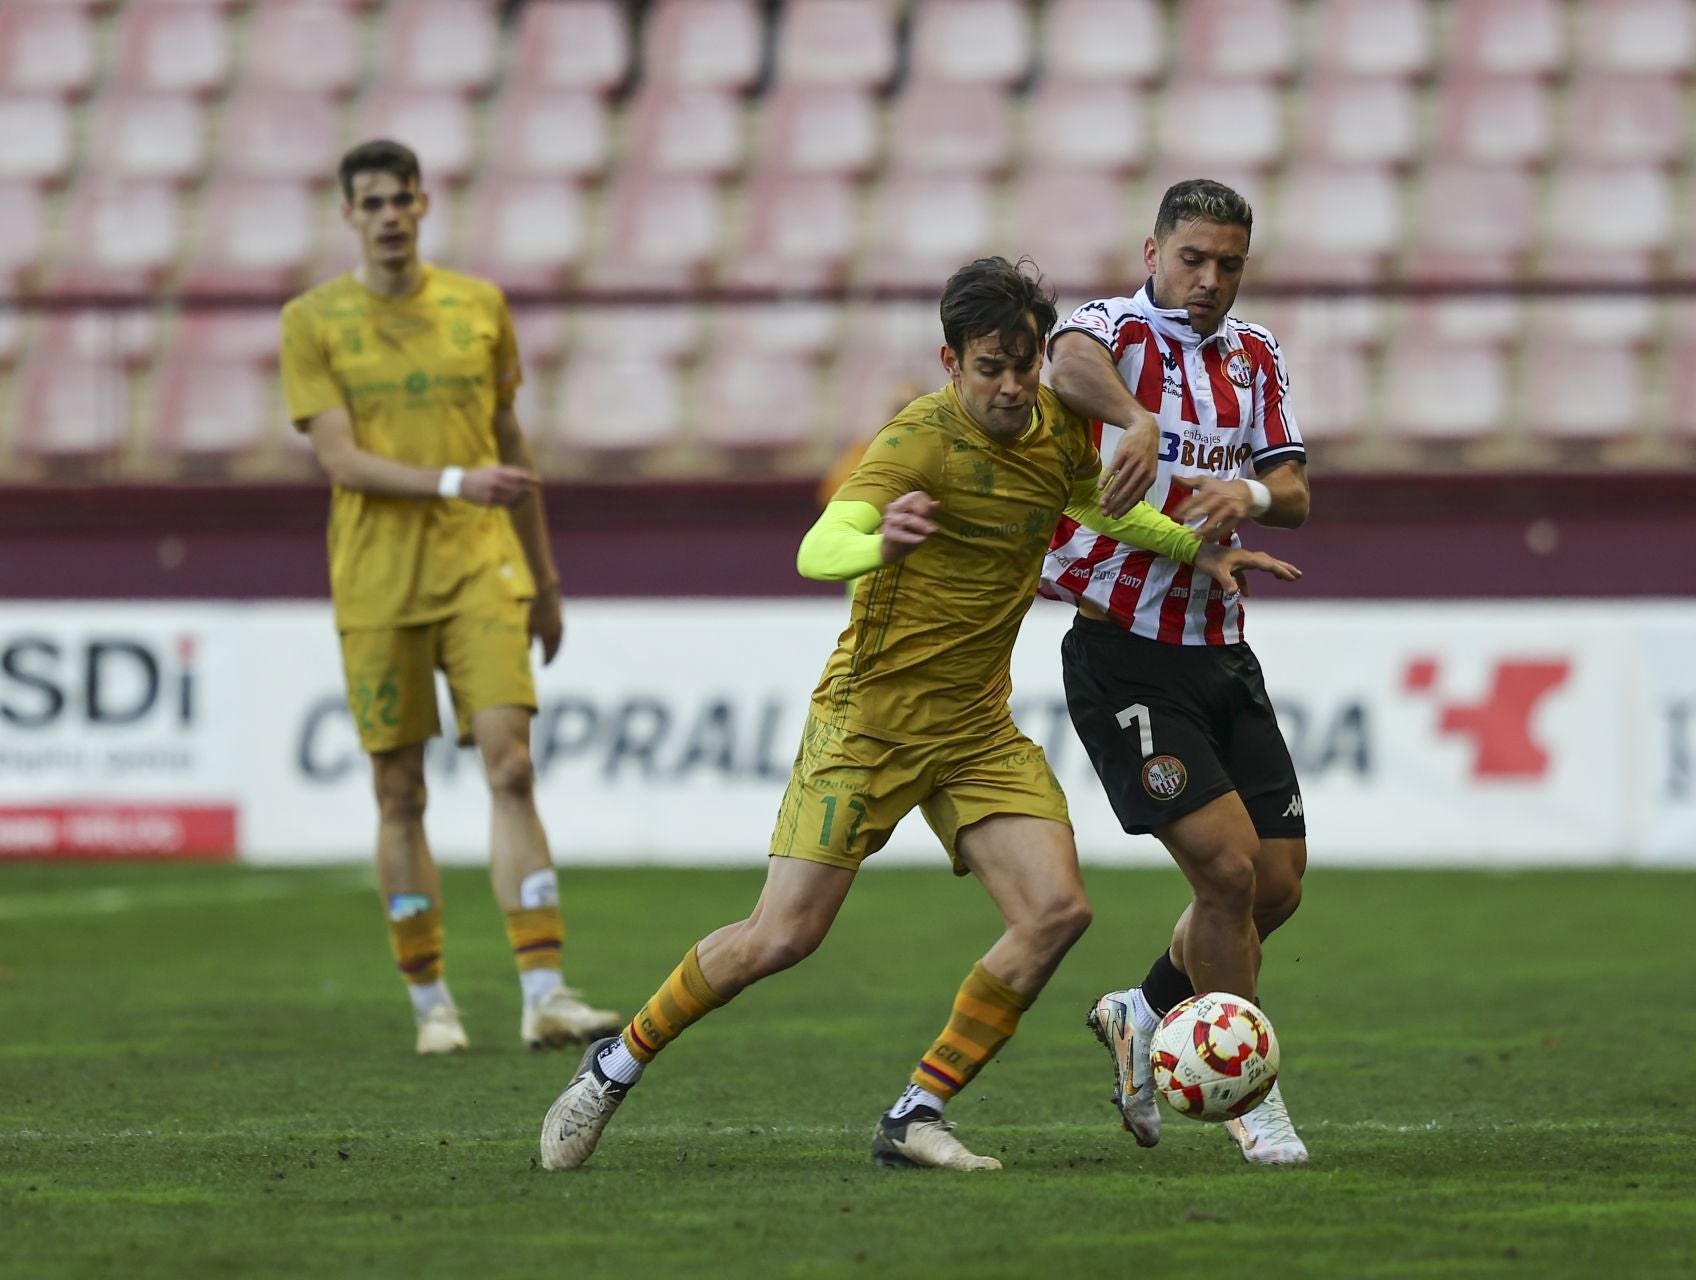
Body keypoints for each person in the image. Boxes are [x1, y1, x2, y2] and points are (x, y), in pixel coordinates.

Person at [538, 256, 1299, 1173]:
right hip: (869, 724)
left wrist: (1192, 548)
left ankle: (917, 1111)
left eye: (1025, 364)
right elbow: (816, 548)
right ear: (951, 362)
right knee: (781, 937)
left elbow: (1096, 506)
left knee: (1057, 911)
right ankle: (613, 1067)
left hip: (975, 728)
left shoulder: (1056, 430)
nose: (1014, 386)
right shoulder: (916, 443)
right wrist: (874, 539)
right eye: (991, 367)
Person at [280, 139, 622, 1055]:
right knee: (401, 792)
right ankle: (432, 1001)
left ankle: (544, 992)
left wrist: (544, 578)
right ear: (348, 215)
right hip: (379, 583)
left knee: (511, 767)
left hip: (482, 569)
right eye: (373, 202)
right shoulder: (312, 321)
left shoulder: (479, 307)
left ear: (424, 205)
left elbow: (511, 442)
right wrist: (450, 483)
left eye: (403, 199)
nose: (390, 215)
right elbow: (341, 458)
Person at [1040, 179, 1314, 1165]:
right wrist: (1135, 419)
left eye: (1228, 264)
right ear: (1151, 249)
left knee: (1276, 882)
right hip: (1122, 651)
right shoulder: (1111, 327)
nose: (1208, 280)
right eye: (1192, 258)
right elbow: (1065, 364)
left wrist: (1242, 489)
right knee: (1228, 869)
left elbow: (1293, 490)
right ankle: (1248, 1088)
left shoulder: (1257, 354)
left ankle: (1143, 1005)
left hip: (1219, 648)